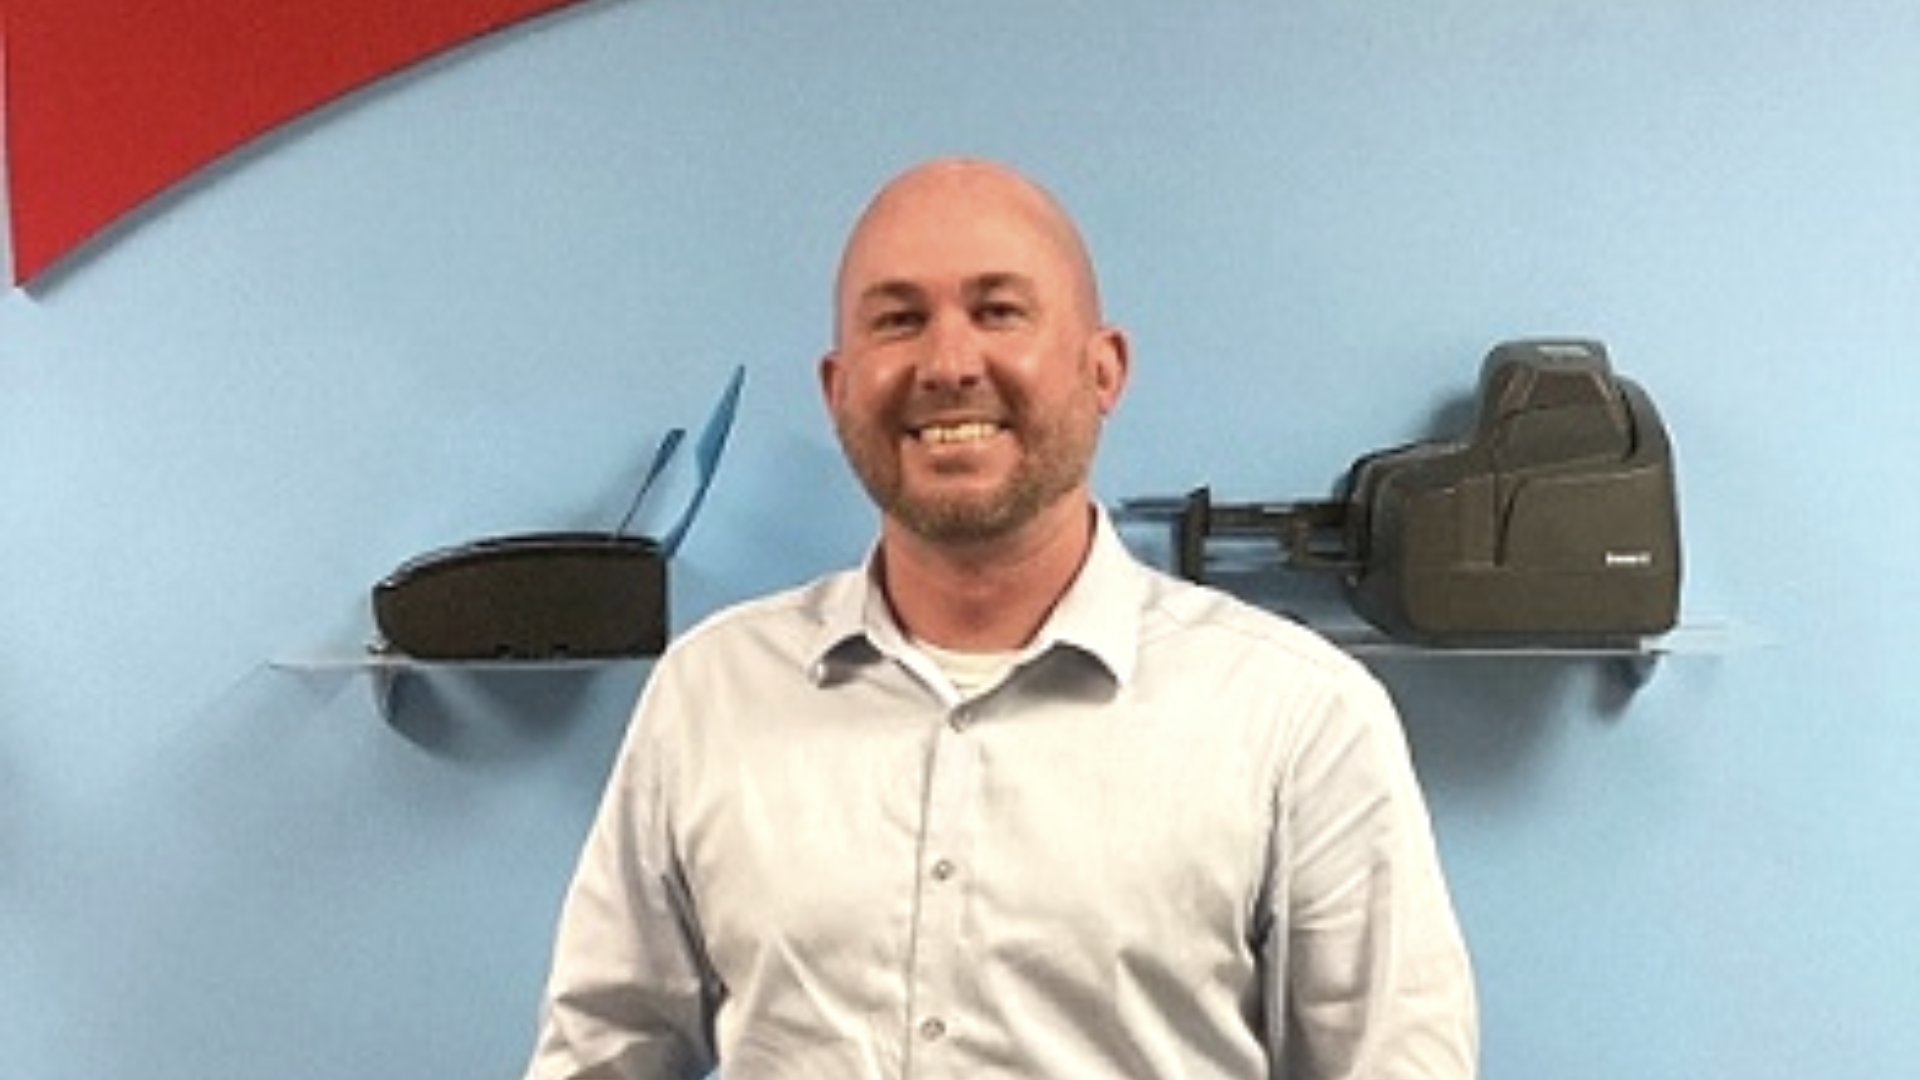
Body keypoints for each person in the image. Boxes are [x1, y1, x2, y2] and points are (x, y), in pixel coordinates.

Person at [521, 157, 1478, 1079]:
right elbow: (597, 1057)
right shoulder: (709, 696)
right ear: (837, 387)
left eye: (998, 311)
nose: (947, 363)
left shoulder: (1299, 718)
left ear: (1103, 369)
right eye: (898, 320)